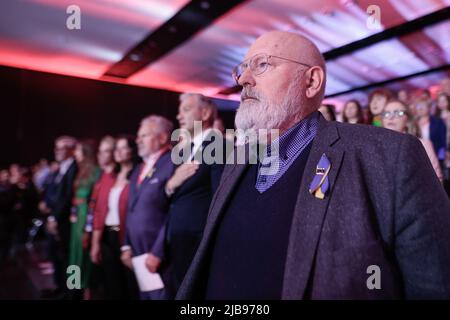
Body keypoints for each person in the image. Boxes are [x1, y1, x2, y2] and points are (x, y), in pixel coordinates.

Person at [177, 31, 450, 300]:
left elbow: (435, 285)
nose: (244, 80)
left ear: (311, 81)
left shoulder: (390, 156)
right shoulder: (235, 162)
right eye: (242, 69)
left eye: (262, 64)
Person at [164, 93, 226, 294]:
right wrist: (171, 184)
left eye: (186, 109)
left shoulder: (219, 145)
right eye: (180, 110)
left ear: (206, 112)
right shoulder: (185, 150)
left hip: (199, 241)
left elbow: (219, 197)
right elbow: (171, 193)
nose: (179, 116)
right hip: (178, 239)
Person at [121, 115, 176, 300]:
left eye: (144, 135)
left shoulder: (173, 163)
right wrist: (126, 245)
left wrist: (158, 252)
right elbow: (132, 209)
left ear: (161, 138)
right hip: (137, 253)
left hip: (160, 256)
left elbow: (173, 213)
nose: (138, 140)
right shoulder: (138, 168)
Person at [90, 135, 139, 299]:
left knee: (130, 283)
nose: (117, 152)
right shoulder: (112, 176)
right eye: (116, 148)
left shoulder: (137, 174)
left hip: (127, 235)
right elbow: (100, 210)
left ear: (132, 151)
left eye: (122, 147)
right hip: (109, 234)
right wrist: (95, 242)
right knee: (112, 283)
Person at [40, 136, 78, 298]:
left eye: (61, 148)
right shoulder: (60, 168)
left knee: (71, 258)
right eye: (56, 148)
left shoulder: (74, 168)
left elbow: (67, 196)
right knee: (58, 257)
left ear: (71, 150)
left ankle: (73, 290)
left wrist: (54, 218)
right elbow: (53, 192)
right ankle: (62, 287)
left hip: (67, 222)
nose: (57, 151)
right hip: (55, 219)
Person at [68, 140, 101, 299]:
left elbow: (94, 202)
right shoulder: (80, 171)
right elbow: (75, 197)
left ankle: (86, 293)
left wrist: (88, 227)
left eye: (78, 150)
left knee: (84, 255)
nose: (75, 153)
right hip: (76, 219)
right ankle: (74, 289)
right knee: (75, 254)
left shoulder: (95, 172)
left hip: (85, 218)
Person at [381, 99, 443, 182]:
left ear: (408, 120)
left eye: (398, 113)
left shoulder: (422, 144)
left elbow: (437, 179)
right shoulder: (378, 148)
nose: (391, 117)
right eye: (386, 113)